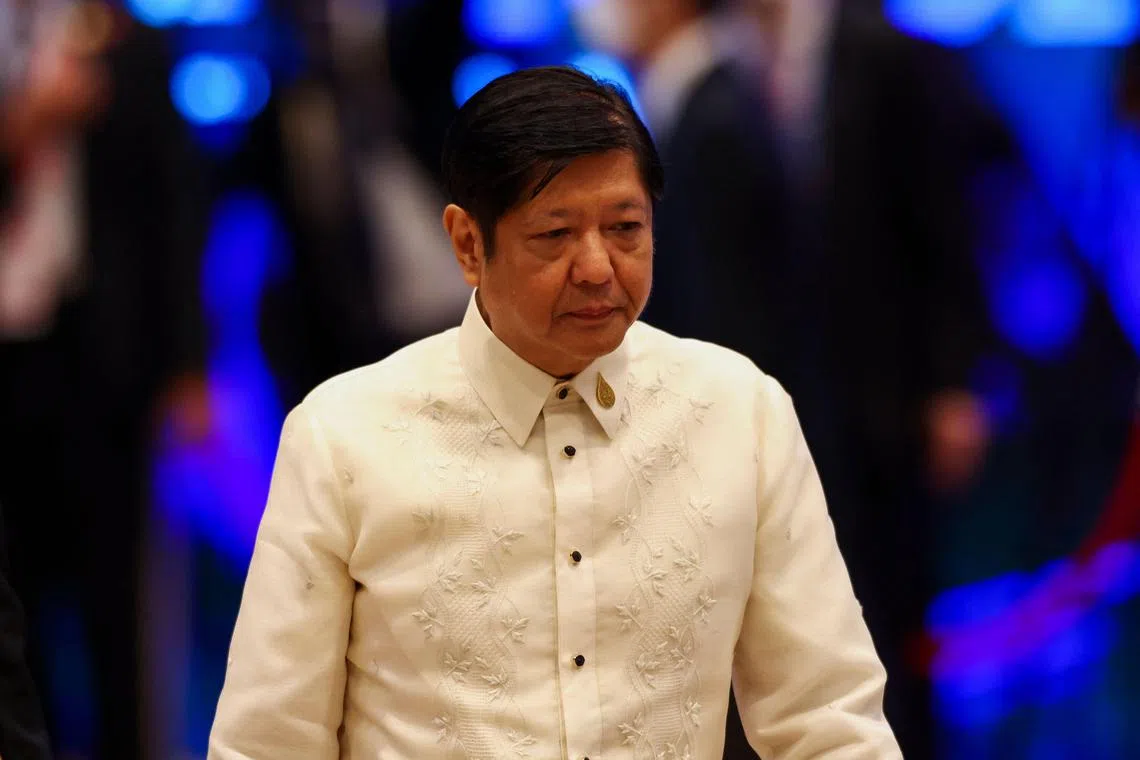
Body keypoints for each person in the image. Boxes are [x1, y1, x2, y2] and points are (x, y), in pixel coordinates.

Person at [207, 66, 901, 759]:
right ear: (469, 244)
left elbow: (828, 718)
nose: (598, 266)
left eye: (625, 228)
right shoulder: (344, 436)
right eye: (555, 234)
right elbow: (268, 740)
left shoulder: (739, 412)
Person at [0, 2, 208, 758]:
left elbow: (175, 205)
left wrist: (188, 364)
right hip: (7, 351)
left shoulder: (125, 38)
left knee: (115, 599)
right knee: (15, 602)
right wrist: (27, 121)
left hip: (100, 356)